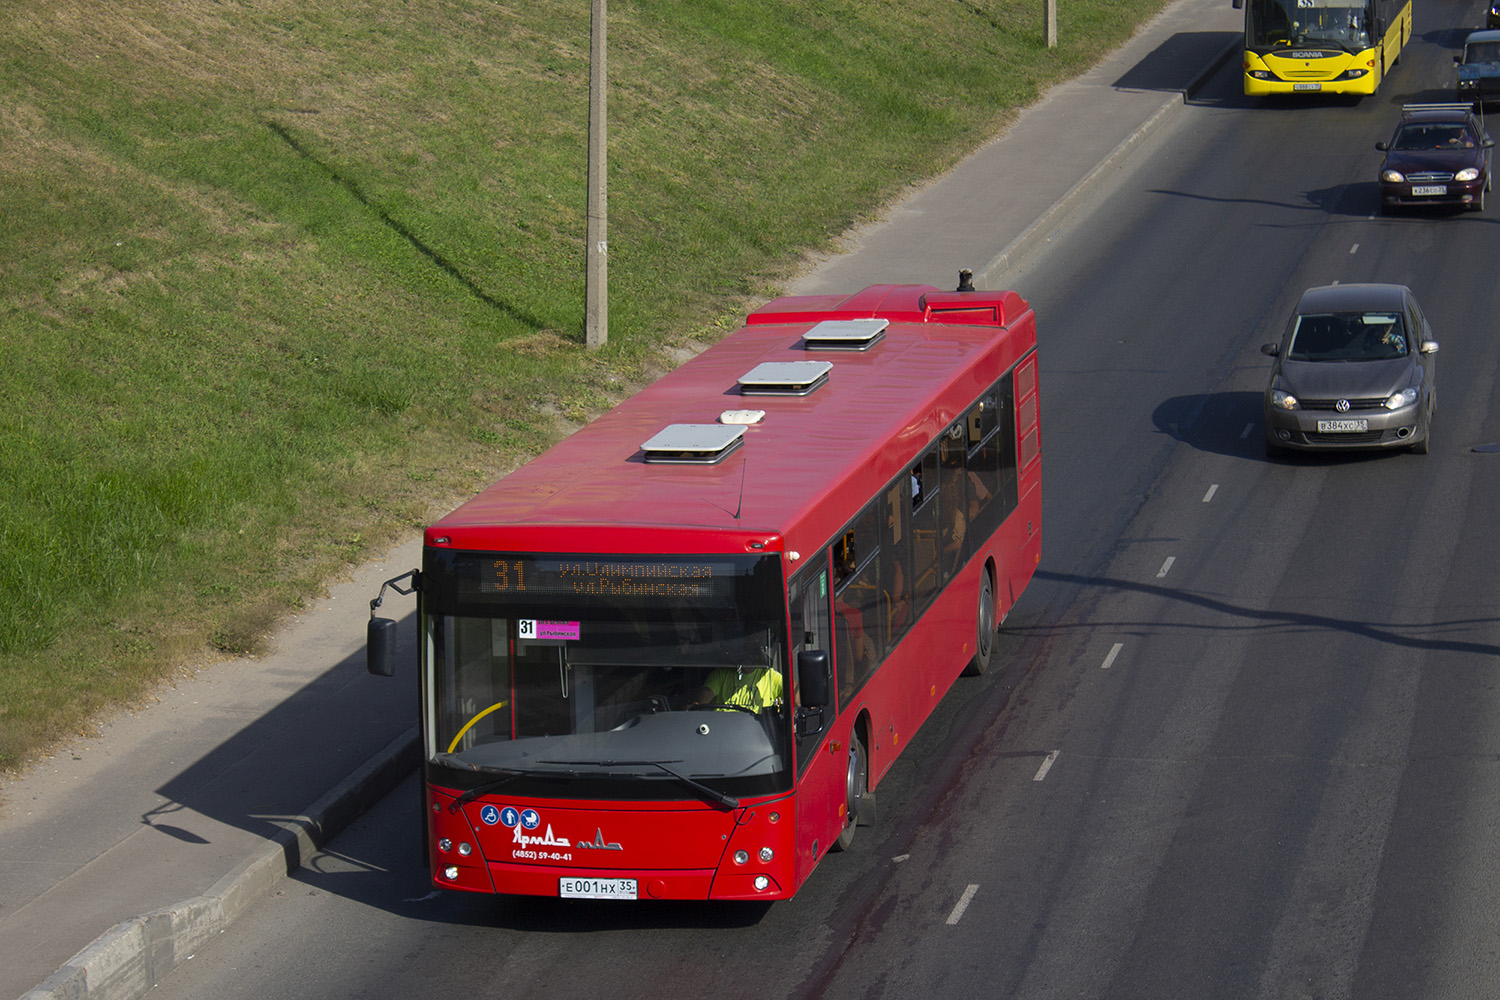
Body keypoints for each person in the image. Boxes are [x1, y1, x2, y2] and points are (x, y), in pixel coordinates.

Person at [692, 663, 784, 712]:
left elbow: (795, 694)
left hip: (757, 732)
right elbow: (707, 691)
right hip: (721, 728)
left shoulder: (770, 676)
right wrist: (697, 705)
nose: (748, 659)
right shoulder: (722, 672)